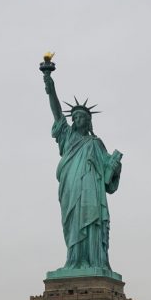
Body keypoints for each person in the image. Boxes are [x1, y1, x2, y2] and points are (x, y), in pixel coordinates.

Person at [42, 67, 122, 276]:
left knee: (92, 221)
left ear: (88, 121)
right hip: (71, 185)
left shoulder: (96, 143)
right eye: (75, 117)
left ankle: (95, 261)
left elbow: (108, 177)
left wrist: (114, 166)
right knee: (73, 222)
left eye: (82, 117)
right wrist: (50, 87)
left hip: (92, 192)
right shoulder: (67, 137)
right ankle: (74, 261)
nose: (78, 120)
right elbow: (57, 113)